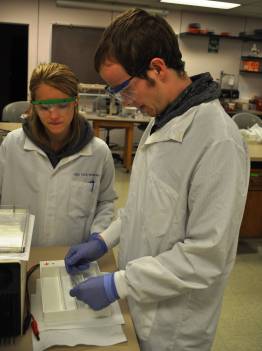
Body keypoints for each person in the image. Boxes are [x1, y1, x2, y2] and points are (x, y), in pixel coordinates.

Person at [64, 9, 250, 351]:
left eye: (123, 90)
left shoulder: (218, 141)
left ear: (158, 69)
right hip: (139, 303)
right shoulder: (161, 121)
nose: (125, 103)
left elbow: (206, 256)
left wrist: (117, 284)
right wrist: (104, 241)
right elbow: (142, 208)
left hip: (174, 326)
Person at [0, 62, 117, 246]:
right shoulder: (13, 145)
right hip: (18, 252)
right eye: (44, 107)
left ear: (75, 102)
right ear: (33, 106)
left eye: (62, 105)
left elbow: (106, 202)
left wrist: (98, 237)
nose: (53, 115)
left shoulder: (98, 152)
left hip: (71, 255)